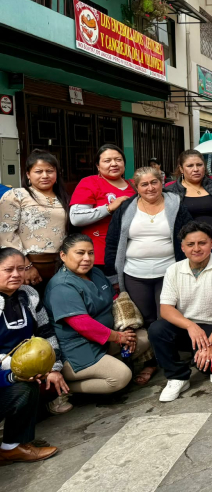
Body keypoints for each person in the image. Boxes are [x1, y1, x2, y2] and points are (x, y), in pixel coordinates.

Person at [45, 234, 150, 397]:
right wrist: (118, 337)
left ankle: (106, 366)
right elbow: (83, 325)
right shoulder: (61, 286)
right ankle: (63, 389)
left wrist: (125, 328)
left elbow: (115, 300)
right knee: (121, 377)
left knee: (144, 338)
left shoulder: (95, 273)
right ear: (63, 256)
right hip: (78, 350)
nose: (87, 258)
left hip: (104, 341)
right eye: (80, 253)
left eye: (91, 253)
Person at [149, 222, 212, 402]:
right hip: (189, 329)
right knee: (157, 329)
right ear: (182, 247)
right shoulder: (174, 270)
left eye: (202, 243)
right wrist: (190, 326)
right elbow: (165, 309)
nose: (196, 249)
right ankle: (177, 377)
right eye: (190, 244)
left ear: (211, 244)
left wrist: (211, 345)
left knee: (208, 368)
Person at [105, 166, 192, 339]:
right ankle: (149, 354)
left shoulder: (177, 205)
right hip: (135, 275)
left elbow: (189, 235)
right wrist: (113, 276)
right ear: (137, 188)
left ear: (162, 183)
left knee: (167, 319)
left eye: (154, 182)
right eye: (144, 184)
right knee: (144, 319)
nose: (150, 188)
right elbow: (112, 241)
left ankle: (167, 354)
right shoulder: (126, 208)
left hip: (169, 273)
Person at [0, 248, 63, 464]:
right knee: (23, 386)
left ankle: (12, 446)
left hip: (22, 370)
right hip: (5, 372)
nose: (16, 274)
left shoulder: (29, 295)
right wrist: (12, 371)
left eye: (21, 268)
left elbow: (46, 332)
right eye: (8, 270)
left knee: (33, 387)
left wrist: (54, 367)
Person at [0, 150, 70, 292]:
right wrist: (25, 266)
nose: (45, 176)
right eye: (38, 171)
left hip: (60, 266)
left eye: (49, 171)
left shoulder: (63, 198)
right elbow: (6, 233)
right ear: (28, 174)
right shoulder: (16, 195)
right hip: (27, 265)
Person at [70, 144, 136, 269]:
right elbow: (76, 218)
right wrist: (108, 208)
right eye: (107, 161)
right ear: (98, 166)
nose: (114, 164)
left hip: (131, 254)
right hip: (99, 255)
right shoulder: (90, 182)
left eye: (118, 160)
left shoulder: (134, 185)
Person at [165, 150, 212, 259]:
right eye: (190, 166)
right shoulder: (171, 190)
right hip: (188, 248)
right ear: (181, 169)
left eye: (199, 165)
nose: (196, 169)